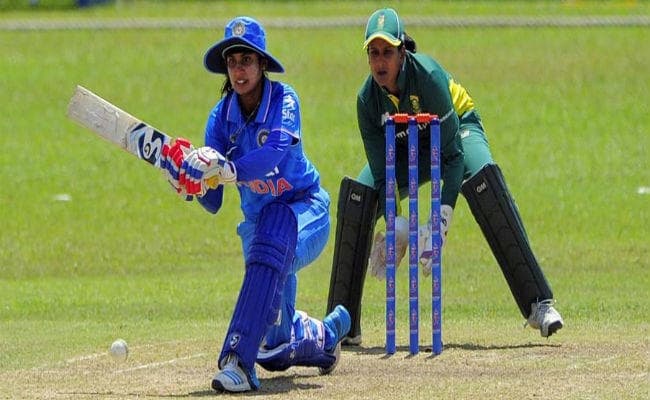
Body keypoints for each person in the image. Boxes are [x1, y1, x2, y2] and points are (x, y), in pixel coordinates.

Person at [327, 8, 563, 346]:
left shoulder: (429, 77)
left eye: (388, 52)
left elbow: (453, 158)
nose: (380, 62)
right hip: (406, 143)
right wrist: (398, 226)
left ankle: (538, 304)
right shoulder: (367, 100)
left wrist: (440, 221)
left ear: (402, 52)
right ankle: (342, 325)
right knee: (358, 199)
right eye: (373, 53)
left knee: (483, 181)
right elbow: (382, 173)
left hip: (457, 130)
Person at [160, 16, 350, 393]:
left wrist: (229, 168)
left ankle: (237, 362)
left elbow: (275, 151)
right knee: (274, 348)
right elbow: (214, 201)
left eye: (247, 60)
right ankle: (327, 336)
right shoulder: (220, 118)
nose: (239, 70)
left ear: (262, 64)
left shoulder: (284, 99)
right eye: (232, 62)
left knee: (273, 232)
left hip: (304, 211)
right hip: (261, 226)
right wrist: (190, 182)